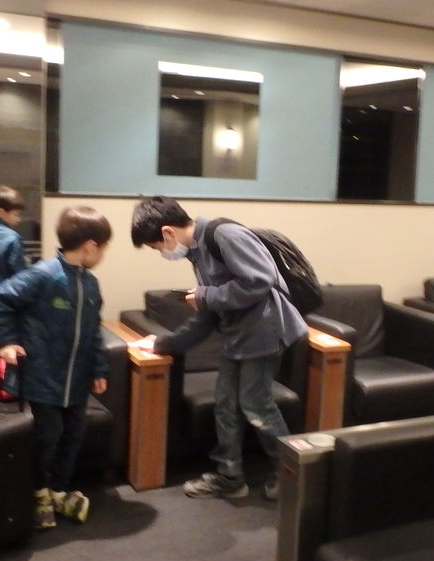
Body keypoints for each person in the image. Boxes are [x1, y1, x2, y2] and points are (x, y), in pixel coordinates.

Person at [130, 195, 307, 500]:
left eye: (157, 247)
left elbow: (259, 280)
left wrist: (206, 296)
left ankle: (291, 473)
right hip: (237, 338)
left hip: (264, 333)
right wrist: (164, 344)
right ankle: (230, 476)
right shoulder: (197, 253)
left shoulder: (224, 234)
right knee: (226, 405)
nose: (162, 253)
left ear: (168, 232)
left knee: (256, 404)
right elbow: (208, 315)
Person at [0, 206, 110, 529]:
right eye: (104, 248)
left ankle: (58, 490)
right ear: (91, 246)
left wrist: (99, 369)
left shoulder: (92, 285)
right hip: (42, 377)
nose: (103, 255)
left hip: (78, 379)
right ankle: (39, 492)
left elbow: (94, 330)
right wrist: (7, 342)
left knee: (73, 435)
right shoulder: (44, 274)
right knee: (47, 436)